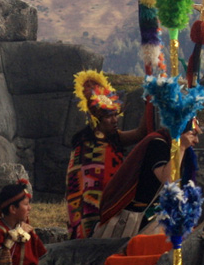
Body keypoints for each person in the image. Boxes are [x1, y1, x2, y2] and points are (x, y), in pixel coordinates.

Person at [65, 70, 154, 239]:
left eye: (115, 115)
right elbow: (81, 186)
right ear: (96, 118)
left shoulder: (114, 137)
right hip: (89, 212)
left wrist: (148, 101)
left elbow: (141, 133)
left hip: (112, 206)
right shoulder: (84, 144)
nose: (115, 120)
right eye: (109, 116)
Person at [95, 122, 200, 239]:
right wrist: (180, 147)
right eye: (193, 135)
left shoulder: (173, 146)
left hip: (155, 215)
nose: (196, 140)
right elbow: (168, 180)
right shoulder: (157, 143)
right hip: (135, 219)